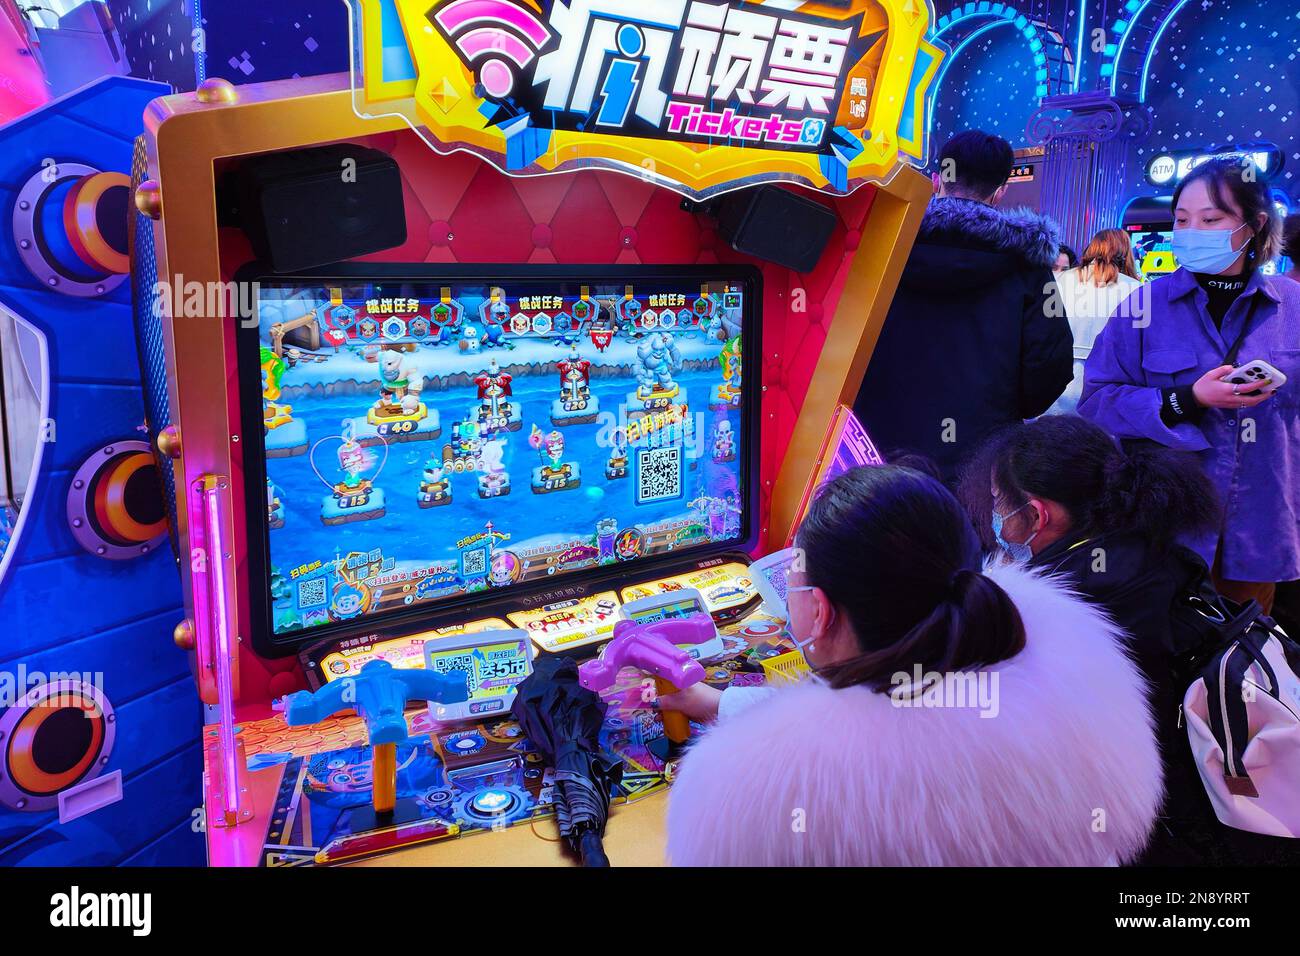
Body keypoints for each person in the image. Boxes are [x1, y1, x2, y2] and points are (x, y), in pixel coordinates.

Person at [665, 465, 1162, 866]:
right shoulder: (1069, 679)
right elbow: (881, 716)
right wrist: (718, 703)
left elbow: (852, 736)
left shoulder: (751, 790)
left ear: (820, 609)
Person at [1079, 157, 1300, 613]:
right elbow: (1097, 401)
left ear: (1254, 226)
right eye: (1182, 220)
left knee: (1242, 664)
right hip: (1166, 527)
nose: (1192, 230)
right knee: (1160, 657)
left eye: (1211, 219)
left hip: (1260, 527)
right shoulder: (1145, 305)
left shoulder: (1291, 308)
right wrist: (1186, 399)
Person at [853, 130, 1073, 484]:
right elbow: (1051, 363)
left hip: (877, 445)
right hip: (980, 456)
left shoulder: (883, 246)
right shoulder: (1027, 266)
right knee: (969, 537)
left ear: (937, 179)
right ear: (1001, 190)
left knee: (882, 531)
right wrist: (1005, 412)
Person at [1048, 229, 1145, 414]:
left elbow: (1043, 331)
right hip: (1107, 388)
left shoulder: (1060, 280)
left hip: (1055, 383)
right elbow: (1140, 349)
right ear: (1125, 252)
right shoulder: (1137, 289)